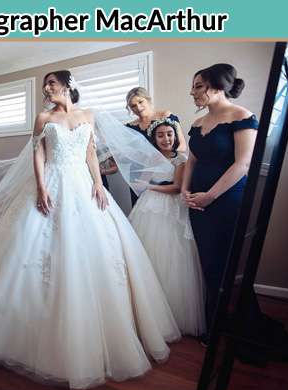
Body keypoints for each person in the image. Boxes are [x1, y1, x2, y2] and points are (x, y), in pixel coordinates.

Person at [0, 70, 180, 390]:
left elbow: (90, 153)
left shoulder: (88, 116)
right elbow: (38, 153)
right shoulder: (43, 118)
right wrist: (41, 187)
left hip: (82, 185)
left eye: (51, 83)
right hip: (51, 182)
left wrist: (97, 184)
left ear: (68, 85)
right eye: (44, 85)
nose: (47, 89)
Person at [182, 64, 258, 342]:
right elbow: (191, 161)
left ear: (218, 86)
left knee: (227, 261)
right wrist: (185, 191)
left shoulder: (242, 116)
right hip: (196, 201)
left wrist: (210, 195)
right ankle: (213, 322)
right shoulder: (197, 124)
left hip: (227, 200)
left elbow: (243, 163)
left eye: (198, 86)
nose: (193, 92)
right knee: (207, 261)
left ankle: (233, 324)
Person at [128, 118, 206, 336]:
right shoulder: (150, 158)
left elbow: (177, 187)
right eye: (161, 135)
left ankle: (171, 311)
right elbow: (140, 182)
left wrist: (150, 187)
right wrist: (143, 183)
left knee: (169, 254)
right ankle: (147, 308)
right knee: (146, 253)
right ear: (154, 138)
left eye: (169, 134)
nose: (166, 139)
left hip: (169, 208)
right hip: (148, 208)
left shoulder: (180, 160)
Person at [102, 87, 187, 206]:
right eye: (133, 106)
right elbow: (124, 153)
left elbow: (182, 146)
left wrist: (166, 162)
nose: (138, 108)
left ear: (148, 99)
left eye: (140, 102)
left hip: (166, 172)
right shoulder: (129, 127)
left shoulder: (166, 116)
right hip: (139, 174)